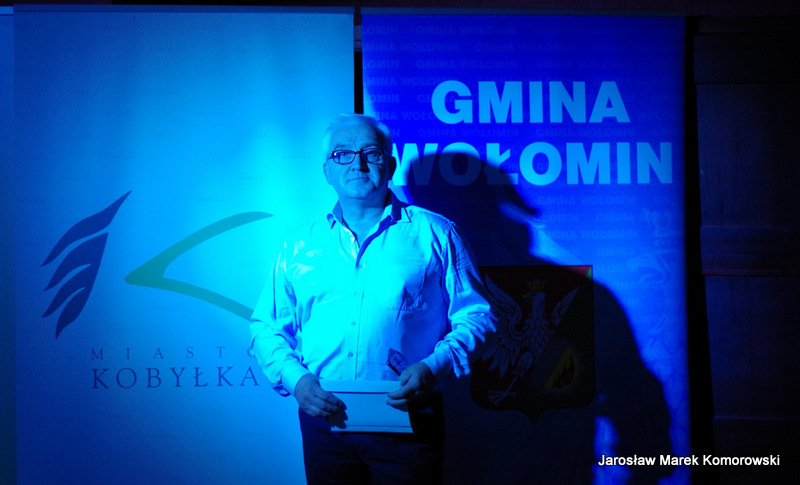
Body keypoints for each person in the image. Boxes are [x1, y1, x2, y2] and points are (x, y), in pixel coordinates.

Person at [249, 113, 495, 485]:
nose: (358, 163)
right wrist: (298, 381)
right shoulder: (297, 245)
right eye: (342, 154)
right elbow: (266, 327)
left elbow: (477, 316)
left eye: (371, 153)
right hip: (324, 422)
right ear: (327, 171)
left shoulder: (436, 234)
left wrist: (433, 367)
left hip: (411, 419)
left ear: (390, 165)